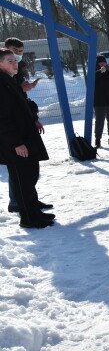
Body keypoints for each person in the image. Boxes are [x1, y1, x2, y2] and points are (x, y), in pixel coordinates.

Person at [0, 48, 54, 228]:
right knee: (22, 180)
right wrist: (16, 143)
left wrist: (33, 119)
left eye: (15, 60)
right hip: (15, 142)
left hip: (25, 136)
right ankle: (28, 218)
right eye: (9, 61)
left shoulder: (10, 80)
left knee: (30, 176)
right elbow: (3, 118)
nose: (15, 63)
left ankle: (34, 212)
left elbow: (21, 106)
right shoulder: (1, 84)